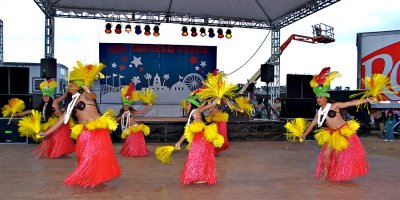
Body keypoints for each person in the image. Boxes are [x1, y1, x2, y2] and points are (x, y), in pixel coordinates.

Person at [39, 62, 120, 188]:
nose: (70, 86)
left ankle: (93, 177)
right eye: (69, 84)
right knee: (82, 155)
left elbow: (92, 95)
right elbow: (62, 119)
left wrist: (87, 83)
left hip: (96, 131)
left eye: (73, 84)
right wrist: (46, 133)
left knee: (91, 156)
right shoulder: (72, 103)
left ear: (78, 86)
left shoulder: (85, 96)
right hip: (84, 132)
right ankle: (89, 176)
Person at [301, 68, 370, 181]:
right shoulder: (319, 112)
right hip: (332, 134)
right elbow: (312, 124)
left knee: (339, 156)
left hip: (344, 132)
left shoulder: (334, 106)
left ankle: (340, 174)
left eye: (321, 97)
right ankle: (326, 174)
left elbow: (351, 103)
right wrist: (304, 134)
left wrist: (367, 100)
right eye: (317, 97)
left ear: (325, 98)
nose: (318, 99)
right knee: (326, 155)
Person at [15, 79, 74, 158]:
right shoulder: (43, 106)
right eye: (44, 96)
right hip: (50, 124)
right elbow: (30, 111)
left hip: (60, 123)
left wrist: (68, 91)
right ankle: (44, 153)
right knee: (46, 138)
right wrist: (18, 114)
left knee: (59, 139)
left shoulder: (55, 102)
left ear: (50, 96)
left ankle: (58, 153)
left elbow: (63, 96)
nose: (45, 97)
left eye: (47, 96)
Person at [179, 95, 223, 185]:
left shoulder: (197, 110)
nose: (186, 106)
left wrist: (215, 101)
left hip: (202, 139)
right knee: (197, 158)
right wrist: (178, 143)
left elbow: (206, 107)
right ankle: (198, 176)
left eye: (187, 104)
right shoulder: (192, 115)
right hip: (198, 139)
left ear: (192, 105)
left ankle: (201, 176)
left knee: (199, 157)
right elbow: (186, 131)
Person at [117, 83, 152, 157]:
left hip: (136, 128)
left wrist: (148, 106)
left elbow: (142, 112)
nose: (125, 107)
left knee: (137, 143)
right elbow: (117, 119)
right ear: (123, 106)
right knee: (130, 142)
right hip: (130, 129)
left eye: (127, 106)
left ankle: (137, 152)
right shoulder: (123, 114)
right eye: (124, 106)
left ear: (129, 106)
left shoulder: (131, 112)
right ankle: (131, 152)